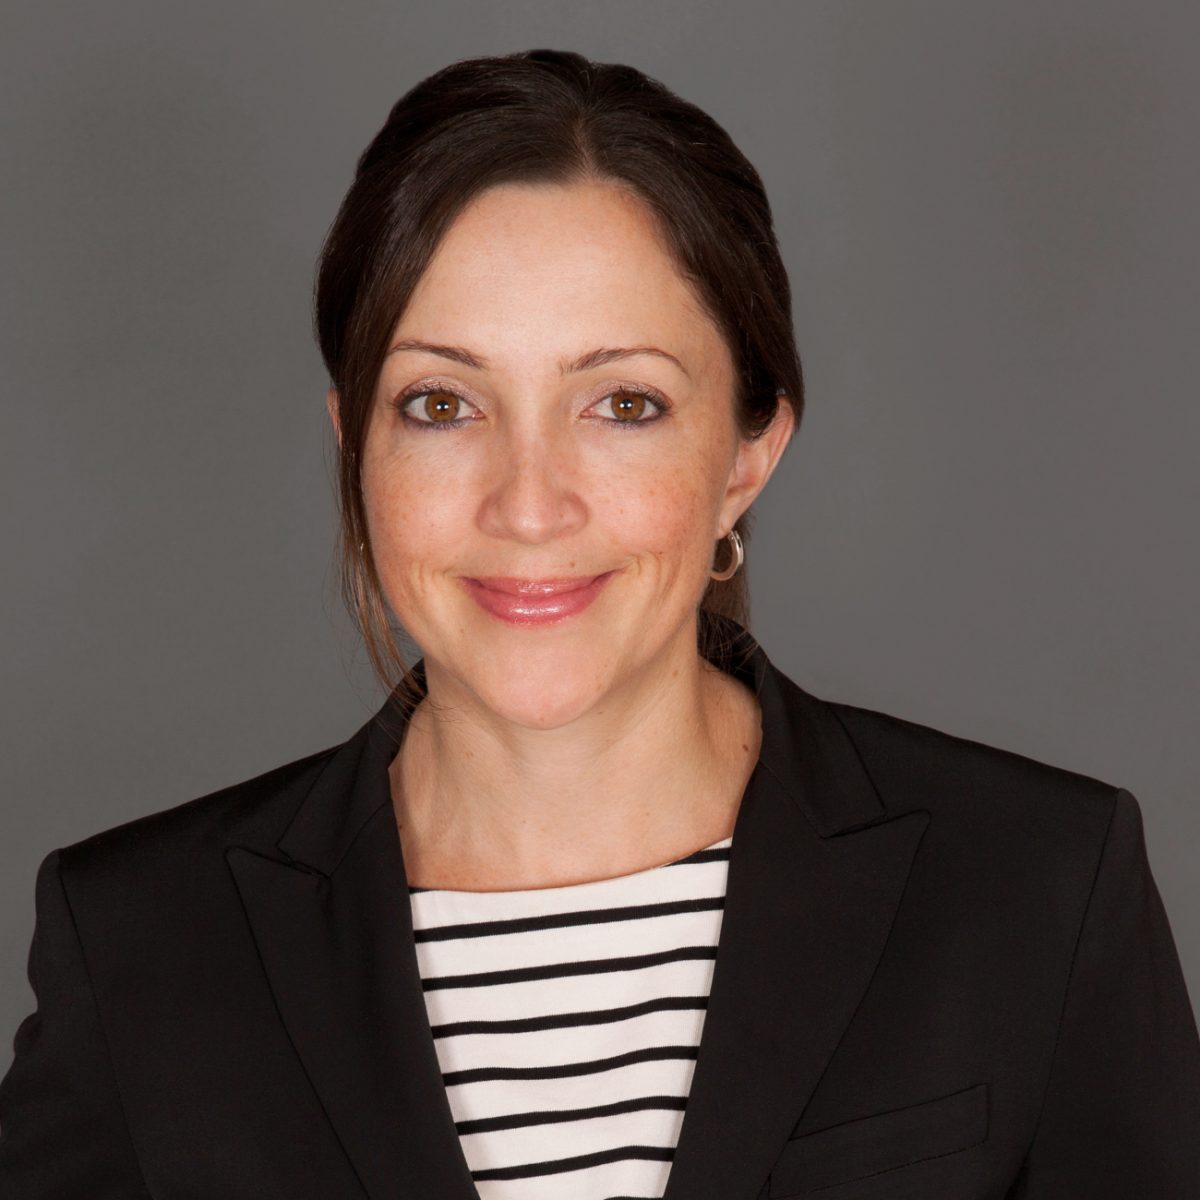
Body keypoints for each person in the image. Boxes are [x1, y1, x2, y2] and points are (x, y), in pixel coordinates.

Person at [1, 46, 1198, 1200]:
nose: (529, 504)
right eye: (441, 404)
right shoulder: (140, 947)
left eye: (624, 404)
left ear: (746, 453)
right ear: (354, 444)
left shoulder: (1036, 887)